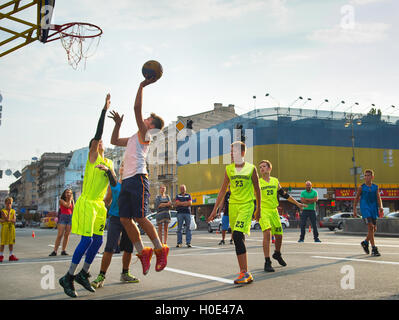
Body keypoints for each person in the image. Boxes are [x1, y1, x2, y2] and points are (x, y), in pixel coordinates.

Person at [59, 93, 117, 298]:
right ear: (94, 145)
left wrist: (109, 172)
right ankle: (68, 277)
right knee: (85, 241)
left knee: (98, 242)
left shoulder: (109, 163)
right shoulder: (93, 158)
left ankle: (83, 274)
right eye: (97, 141)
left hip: (100, 206)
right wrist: (104, 109)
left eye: (101, 141)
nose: (100, 142)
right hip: (86, 203)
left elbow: (114, 183)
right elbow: (98, 132)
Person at [110, 77, 168, 277]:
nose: (144, 119)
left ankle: (160, 249)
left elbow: (136, 109)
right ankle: (143, 252)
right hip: (126, 181)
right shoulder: (134, 137)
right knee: (126, 219)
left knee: (140, 217)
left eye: (147, 119)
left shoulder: (146, 135)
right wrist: (117, 124)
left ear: (150, 125)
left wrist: (141, 86)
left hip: (138, 179)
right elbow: (114, 140)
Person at [208, 141, 261, 285]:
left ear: (243, 153)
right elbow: (222, 190)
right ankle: (244, 272)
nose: (231, 154)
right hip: (233, 206)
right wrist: (214, 210)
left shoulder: (251, 168)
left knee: (237, 235)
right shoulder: (229, 169)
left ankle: (245, 272)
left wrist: (259, 208)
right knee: (237, 236)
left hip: (247, 205)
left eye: (234, 151)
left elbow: (257, 189)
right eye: (231, 152)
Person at [91, 161, 140, 289]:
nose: (125, 169)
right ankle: (101, 276)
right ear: (120, 170)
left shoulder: (133, 185)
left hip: (129, 220)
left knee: (128, 248)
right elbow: (107, 200)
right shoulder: (114, 185)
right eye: (123, 166)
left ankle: (125, 273)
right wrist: (97, 207)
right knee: (109, 248)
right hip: (115, 219)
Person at [258, 160, 306, 272]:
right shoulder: (258, 182)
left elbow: (285, 195)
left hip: (274, 211)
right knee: (267, 233)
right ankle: (267, 261)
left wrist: (297, 203)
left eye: (264, 166)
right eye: (260, 167)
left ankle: (277, 254)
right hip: (263, 210)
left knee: (279, 235)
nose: (262, 168)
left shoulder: (275, 181)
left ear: (269, 168)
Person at [353, 169, 383, 256]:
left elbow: (378, 197)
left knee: (374, 229)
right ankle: (374, 249)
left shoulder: (375, 187)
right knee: (371, 227)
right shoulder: (361, 187)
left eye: (368, 175)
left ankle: (365, 242)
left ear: (372, 177)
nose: (366, 177)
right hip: (365, 209)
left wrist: (381, 206)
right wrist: (354, 210)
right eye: (365, 175)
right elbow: (356, 199)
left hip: (373, 209)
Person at [49, 189, 74, 256]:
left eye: (69, 193)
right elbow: (67, 206)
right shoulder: (61, 200)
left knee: (67, 235)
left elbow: (73, 209)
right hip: (63, 218)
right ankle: (55, 251)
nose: (68, 194)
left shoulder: (72, 201)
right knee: (60, 235)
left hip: (70, 218)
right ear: (64, 194)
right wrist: (70, 199)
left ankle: (63, 250)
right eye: (67, 192)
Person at [0, 197, 18, 262]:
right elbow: (7, 219)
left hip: (11, 228)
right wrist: (9, 212)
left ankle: (11, 255)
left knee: (11, 242)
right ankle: (1, 255)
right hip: (5, 228)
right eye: (8, 203)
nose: (9, 205)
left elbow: (14, 220)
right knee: (3, 242)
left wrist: (9, 220)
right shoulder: (3, 211)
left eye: (10, 203)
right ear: (5, 203)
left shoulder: (13, 211)